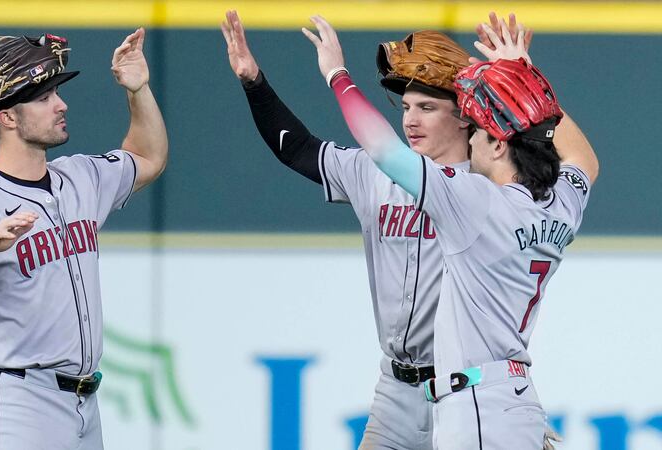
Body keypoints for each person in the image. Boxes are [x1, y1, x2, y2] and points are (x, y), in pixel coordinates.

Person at [222, 10, 538, 450]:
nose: (411, 120)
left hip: (466, 393)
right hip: (396, 388)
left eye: (427, 108)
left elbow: (553, 155)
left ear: (466, 118)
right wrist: (254, 82)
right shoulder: (373, 174)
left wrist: (518, 74)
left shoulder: (486, 191)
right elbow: (295, 149)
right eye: (406, 107)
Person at [303, 14, 598, 450]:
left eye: (479, 131)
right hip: (517, 400)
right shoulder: (558, 203)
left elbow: (383, 150)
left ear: (499, 145)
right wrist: (522, 74)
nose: (472, 138)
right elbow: (584, 159)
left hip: (476, 406)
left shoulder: (476, 202)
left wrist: (336, 75)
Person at [0, 29, 167, 449]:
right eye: (42, 98)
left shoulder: (79, 177)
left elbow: (149, 157)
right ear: (8, 116)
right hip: (20, 401)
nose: (60, 104)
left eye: (55, 92)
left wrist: (138, 90)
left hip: (84, 405)